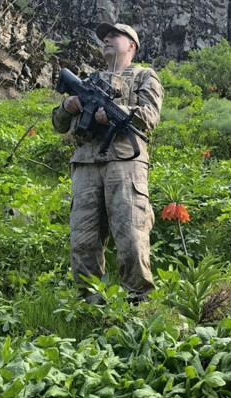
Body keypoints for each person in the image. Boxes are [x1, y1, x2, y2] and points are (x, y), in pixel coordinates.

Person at [52, 23, 163, 304]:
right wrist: (68, 106)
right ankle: (90, 305)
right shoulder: (89, 80)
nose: (108, 39)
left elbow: (150, 116)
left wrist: (117, 113)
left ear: (132, 46)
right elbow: (58, 124)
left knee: (131, 236)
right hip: (86, 165)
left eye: (115, 35)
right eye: (105, 37)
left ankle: (138, 304)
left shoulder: (144, 76)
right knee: (83, 240)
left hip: (125, 163)